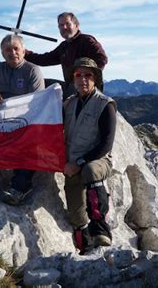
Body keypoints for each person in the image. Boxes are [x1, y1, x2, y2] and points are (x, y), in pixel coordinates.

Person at [0, 34, 45, 205]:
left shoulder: (32, 70)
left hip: (26, 122)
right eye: (7, 50)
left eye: (16, 48)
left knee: (30, 144)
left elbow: (38, 102)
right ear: (2, 53)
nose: (12, 52)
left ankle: (20, 187)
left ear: (23, 51)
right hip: (0, 122)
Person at [63, 57, 116, 254]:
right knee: (76, 214)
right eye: (78, 75)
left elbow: (106, 143)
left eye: (88, 75)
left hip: (97, 160)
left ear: (95, 79)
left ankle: (101, 230)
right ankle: (83, 245)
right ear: (73, 79)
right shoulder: (68, 104)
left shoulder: (105, 104)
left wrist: (80, 162)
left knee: (91, 171)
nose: (83, 79)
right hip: (73, 164)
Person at [25, 12, 108, 97]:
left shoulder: (87, 41)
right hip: (73, 91)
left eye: (67, 24)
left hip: (89, 93)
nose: (64, 27)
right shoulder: (64, 46)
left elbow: (102, 59)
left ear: (76, 25)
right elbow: (44, 60)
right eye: (61, 25)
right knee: (46, 85)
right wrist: (23, 52)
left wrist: (86, 78)